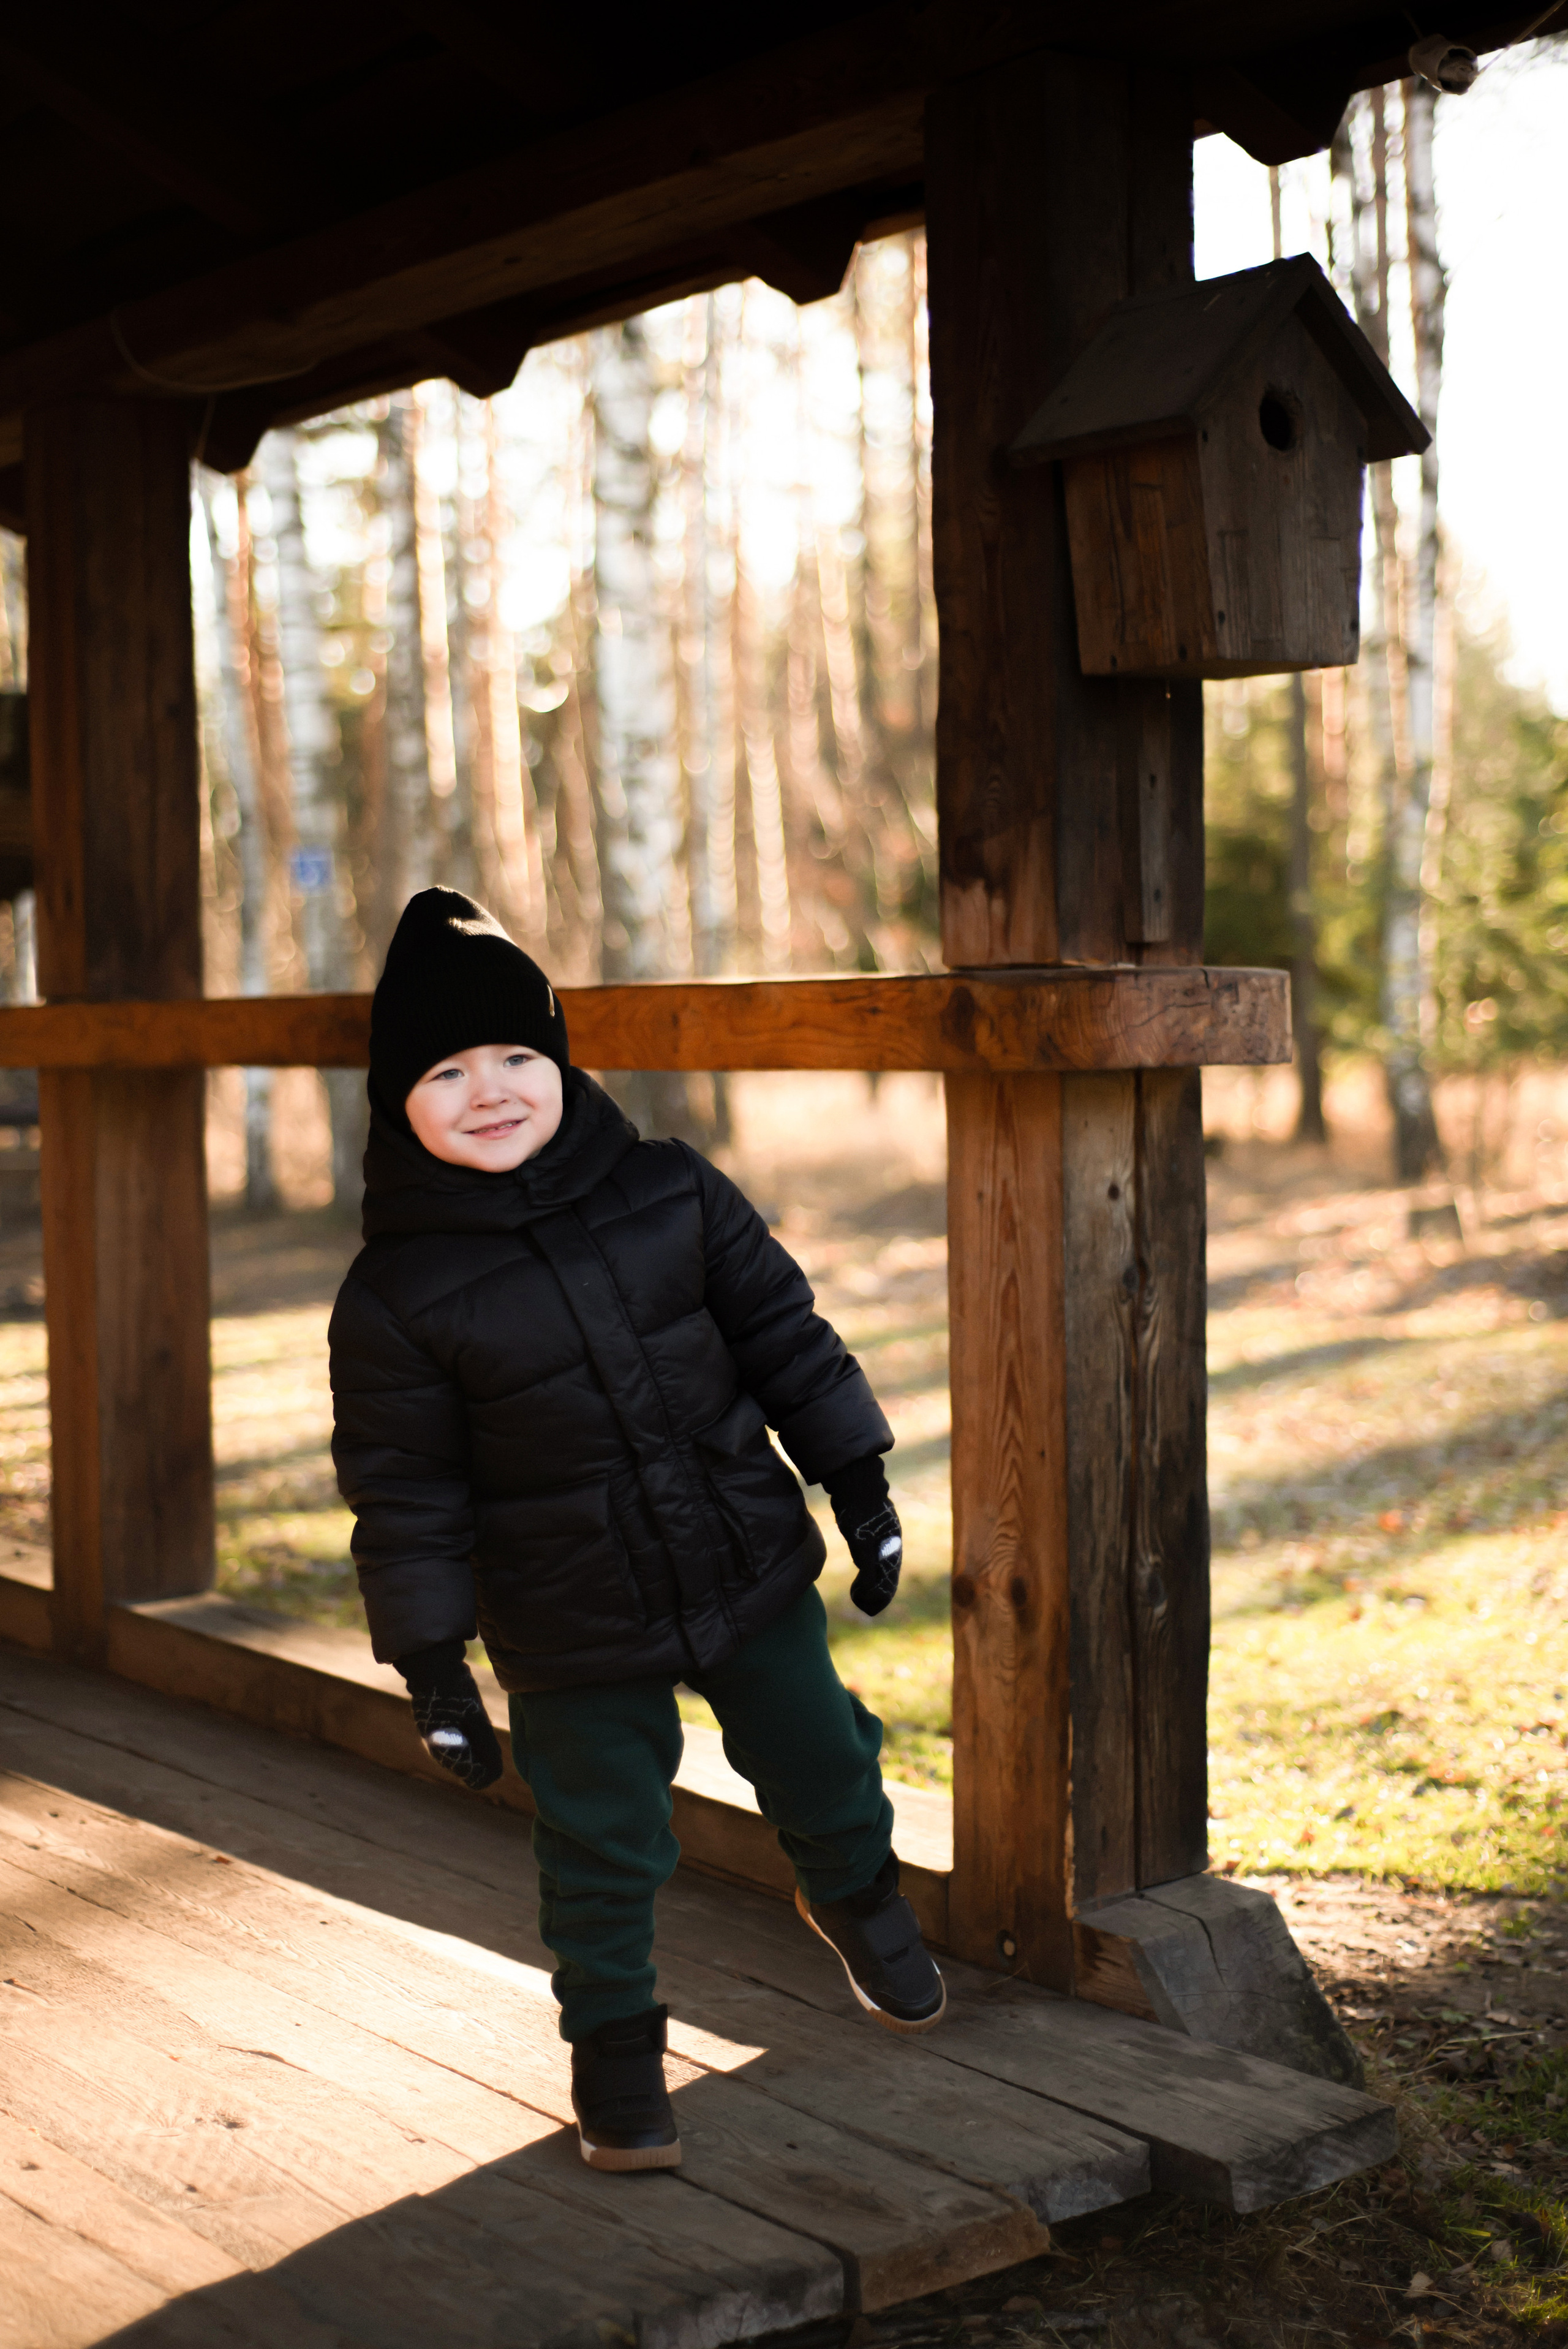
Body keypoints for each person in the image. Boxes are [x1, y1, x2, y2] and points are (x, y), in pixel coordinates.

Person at [330, 888, 944, 2174]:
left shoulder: (672, 1191)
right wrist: (433, 1665)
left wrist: (859, 1481)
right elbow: (404, 1494)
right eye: (445, 1071)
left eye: (515, 1056)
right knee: (601, 1837)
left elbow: (785, 1335)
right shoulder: (396, 1295)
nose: (490, 1089)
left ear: (559, 1060)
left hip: (740, 1562)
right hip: (568, 1622)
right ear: (397, 1102)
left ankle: (855, 1893)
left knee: (822, 1756)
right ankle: (614, 2045)